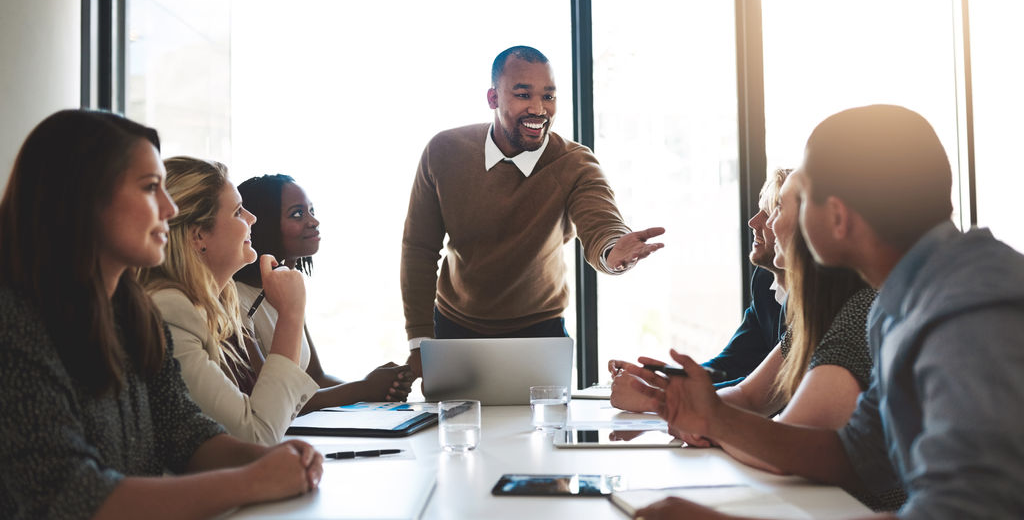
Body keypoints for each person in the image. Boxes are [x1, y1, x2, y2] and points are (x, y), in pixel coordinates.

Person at [639, 105, 1024, 519]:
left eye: (799, 199)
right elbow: (856, 454)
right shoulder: (899, 304)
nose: (773, 222)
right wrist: (715, 418)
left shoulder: (967, 316)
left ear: (838, 217)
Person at [0, 110, 321, 519]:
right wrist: (255, 479)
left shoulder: (133, 315)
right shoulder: (14, 326)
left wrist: (275, 459)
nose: (169, 208)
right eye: (151, 188)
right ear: (83, 199)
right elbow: (71, 496)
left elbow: (186, 433)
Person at [401, 45, 665, 377]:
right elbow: (419, 249)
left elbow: (601, 221)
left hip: (540, 333)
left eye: (548, 97)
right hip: (454, 329)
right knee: (454, 413)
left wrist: (612, 251)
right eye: (523, 95)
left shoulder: (574, 163)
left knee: (546, 414)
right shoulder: (444, 151)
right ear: (493, 98)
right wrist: (419, 342)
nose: (539, 109)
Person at [607, 169, 790, 408]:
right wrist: (659, 379)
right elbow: (732, 364)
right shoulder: (765, 280)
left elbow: (763, 392)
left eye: (771, 212)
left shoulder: (819, 305)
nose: (753, 222)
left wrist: (660, 396)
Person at [234, 173, 414, 410]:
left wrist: (376, 388)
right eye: (297, 214)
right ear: (263, 223)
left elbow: (315, 378)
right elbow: (269, 399)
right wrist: (364, 388)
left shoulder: (287, 290)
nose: (313, 221)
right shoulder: (236, 299)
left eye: (311, 211)